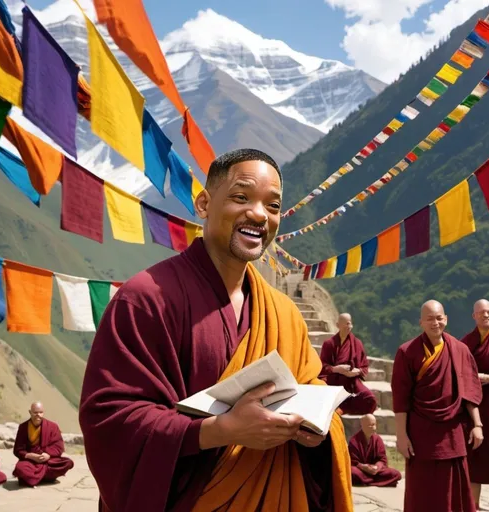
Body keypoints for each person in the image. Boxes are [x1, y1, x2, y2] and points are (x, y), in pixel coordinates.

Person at [79, 149, 353, 512]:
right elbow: (110, 420)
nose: (258, 214)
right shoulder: (146, 299)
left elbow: (312, 389)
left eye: (272, 206)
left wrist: (315, 430)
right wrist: (223, 430)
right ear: (205, 203)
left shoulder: (284, 314)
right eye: (241, 197)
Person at [392, 300, 483, 512]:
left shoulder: (460, 350)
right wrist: (401, 436)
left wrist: (477, 424)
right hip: (420, 432)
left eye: (439, 318)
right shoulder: (407, 352)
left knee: (454, 488)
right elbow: (401, 399)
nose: (436, 323)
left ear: (446, 319)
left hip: (452, 431)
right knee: (422, 490)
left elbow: (469, 391)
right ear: (421, 322)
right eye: (430, 319)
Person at [460, 299, 489, 510]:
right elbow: (459, 371)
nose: (485, 315)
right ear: (474, 316)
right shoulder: (466, 342)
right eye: (481, 313)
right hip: (475, 407)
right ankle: (473, 506)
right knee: (475, 457)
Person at [319, 313, 377, 415]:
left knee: (370, 399)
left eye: (349, 324)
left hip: (352, 381)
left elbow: (364, 366)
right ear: (337, 325)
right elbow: (322, 366)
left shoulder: (357, 343)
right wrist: (336, 369)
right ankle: (340, 406)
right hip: (334, 379)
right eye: (345, 324)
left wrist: (356, 371)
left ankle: (343, 409)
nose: (348, 326)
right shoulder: (329, 344)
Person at [13, 402, 74, 487]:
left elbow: (59, 446)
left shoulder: (53, 426)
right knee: (20, 468)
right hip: (30, 462)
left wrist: (48, 454)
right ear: (30, 412)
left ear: (43, 412)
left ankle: (32, 478)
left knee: (68, 463)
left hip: (47, 461)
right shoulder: (23, 427)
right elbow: (18, 449)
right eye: (35, 412)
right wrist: (30, 455)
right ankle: (46, 477)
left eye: (40, 412)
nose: (38, 415)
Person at [348, 413, 401, 487]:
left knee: (396, 474)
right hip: (361, 471)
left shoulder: (377, 439)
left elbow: (382, 459)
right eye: (370, 425)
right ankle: (376, 481)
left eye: (374, 425)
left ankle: (366, 481)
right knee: (352, 472)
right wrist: (363, 467)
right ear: (362, 426)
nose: (374, 428)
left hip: (375, 471)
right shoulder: (354, 441)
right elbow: (352, 461)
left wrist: (376, 467)